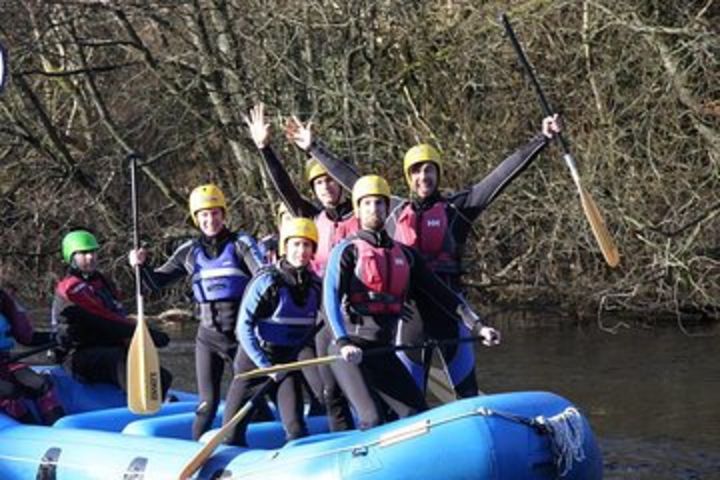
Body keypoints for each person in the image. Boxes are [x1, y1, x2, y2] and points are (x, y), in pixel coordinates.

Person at [287, 114, 561, 398]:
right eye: (416, 171)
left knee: (465, 389)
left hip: (449, 309)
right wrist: (313, 148)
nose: (423, 177)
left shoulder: (458, 208)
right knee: (411, 394)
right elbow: (355, 181)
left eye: (429, 170)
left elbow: (499, 178)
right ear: (409, 177)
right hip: (409, 315)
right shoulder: (392, 210)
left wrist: (541, 139)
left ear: (438, 174)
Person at [324, 175, 500, 429]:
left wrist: (478, 327)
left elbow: (443, 296)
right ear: (358, 210)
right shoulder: (346, 251)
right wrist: (342, 342)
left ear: (387, 209)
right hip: (349, 350)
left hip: (382, 351)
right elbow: (328, 301)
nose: (374, 209)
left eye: (379, 204)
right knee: (372, 417)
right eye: (367, 204)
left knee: (416, 414)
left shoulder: (406, 255)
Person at [244, 104, 354, 431]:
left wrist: (314, 148)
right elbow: (284, 188)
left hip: (359, 314)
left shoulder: (361, 211)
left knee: (358, 383)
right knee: (328, 389)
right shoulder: (309, 217)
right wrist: (264, 149)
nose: (326, 187)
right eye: (319, 184)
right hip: (324, 316)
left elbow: (358, 181)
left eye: (330, 182)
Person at [129, 184, 264, 440]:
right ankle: (194, 453)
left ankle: (259, 446)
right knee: (207, 405)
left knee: (252, 397)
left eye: (215, 213)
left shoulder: (241, 244)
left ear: (224, 215)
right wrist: (141, 265)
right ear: (196, 218)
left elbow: (262, 275)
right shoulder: (189, 251)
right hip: (208, 338)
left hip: (242, 337)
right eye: (204, 215)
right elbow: (155, 282)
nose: (210, 220)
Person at [223, 218, 322, 446]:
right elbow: (243, 327)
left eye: (307, 245)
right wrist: (265, 366)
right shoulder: (267, 280)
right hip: (253, 365)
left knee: (296, 430)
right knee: (232, 435)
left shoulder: (315, 285)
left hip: (286, 366)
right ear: (285, 248)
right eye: (295, 245)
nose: (301, 251)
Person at [53, 229, 172, 395]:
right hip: (76, 355)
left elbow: (117, 314)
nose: (91, 257)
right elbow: (103, 320)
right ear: (71, 257)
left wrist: (135, 336)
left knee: (163, 376)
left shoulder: (102, 282)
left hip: (104, 346)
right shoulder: (71, 288)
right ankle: (139, 398)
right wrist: (145, 333)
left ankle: (160, 401)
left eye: (93, 252)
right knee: (116, 359)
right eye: (84, 253)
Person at [0, 287, 64, 424]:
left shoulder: (4, 299)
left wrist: (54, 337)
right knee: (9, 392)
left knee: (41, 384)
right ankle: (28, 431)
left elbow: (26, 337)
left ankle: (59, 429)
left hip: (6, 361)